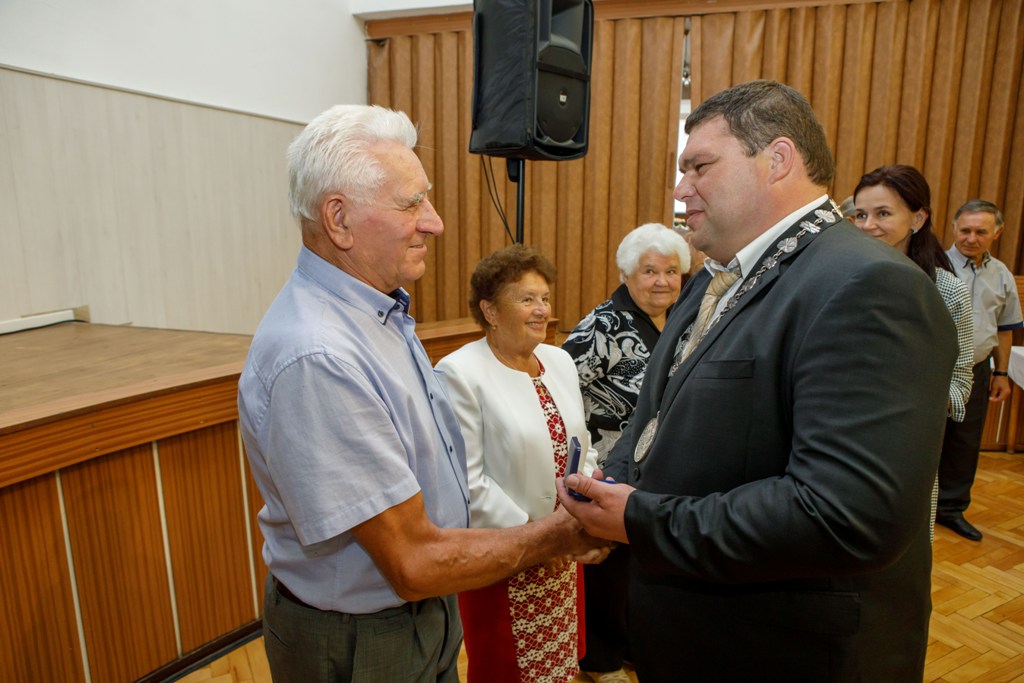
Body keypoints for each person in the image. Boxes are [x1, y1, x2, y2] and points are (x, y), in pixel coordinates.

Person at [557, 80, 957, 680]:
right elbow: (657, 419)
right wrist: (611, 488)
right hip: (697, 631)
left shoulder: (869, 285)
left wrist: (640, 520)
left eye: (699, 167)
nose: (680, 189)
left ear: (777, 159)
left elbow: (847, 515)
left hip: (784, 652)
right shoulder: (715, 277)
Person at [237, 104, 608, 683]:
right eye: (412, 204)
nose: (434, 222)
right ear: (339, 219)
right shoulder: (320, 355)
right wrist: (558, 535)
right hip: (364, 637)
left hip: (420, 610)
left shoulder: (377, 311)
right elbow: (410, 561)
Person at [435, 244, 598, 683]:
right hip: (505, 553)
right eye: (527, 299)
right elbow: (467, 482)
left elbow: (582, 445)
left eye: (544, 297)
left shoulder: (559, 360)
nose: (542, 309)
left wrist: (580, 512)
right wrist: (540, 538)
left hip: (565, 544)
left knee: (559, 663)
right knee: (507, 668)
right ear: (489, 310)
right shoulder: (459, 372)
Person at [561, 222, 689, 683]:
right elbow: (562, 383)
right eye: (649, 271)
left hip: (656, 463)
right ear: (627, 274)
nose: (662, 281)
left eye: (671, 271)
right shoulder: (604, 324)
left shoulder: (681, 318)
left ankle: (633, 644)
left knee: (642, 560)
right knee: (607, 563)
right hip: (608, 462)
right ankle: (599, 659)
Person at [852, 164, 974, 540]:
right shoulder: (840, 280)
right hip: (840, 437)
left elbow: (961, 379)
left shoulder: (947, 291)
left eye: (883, 213)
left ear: (918, 219)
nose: (868, 225)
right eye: (860, 215)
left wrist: (915, 403)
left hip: (907, 446)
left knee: (902, 548)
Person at [938, 199, 1024, 540]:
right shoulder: (934, 266)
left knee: (965, 443)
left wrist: (1001, 374)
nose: (971, 238)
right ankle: (913, 510)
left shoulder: (1001, 274)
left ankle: (951, 509)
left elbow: (1005, 329)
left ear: (996, 233)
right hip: (935, 370)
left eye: (980, 232)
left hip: (977, 370)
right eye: (965, 230)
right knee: (925, 439)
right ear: (953, 228)